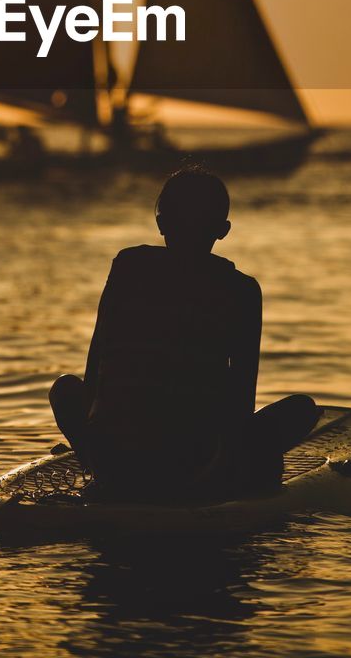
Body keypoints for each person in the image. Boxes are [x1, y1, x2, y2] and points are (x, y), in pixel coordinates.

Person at [49, 167, 319, 499]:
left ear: (161, 223)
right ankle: (209, 478)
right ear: (223, 230)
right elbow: (242, 396)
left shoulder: (127, 267)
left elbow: (96, 367)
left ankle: (103, 474)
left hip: (112, 456)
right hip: (192, 464)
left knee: (65, 388)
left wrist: (92, 441)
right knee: (303, 409)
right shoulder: (242, 290)